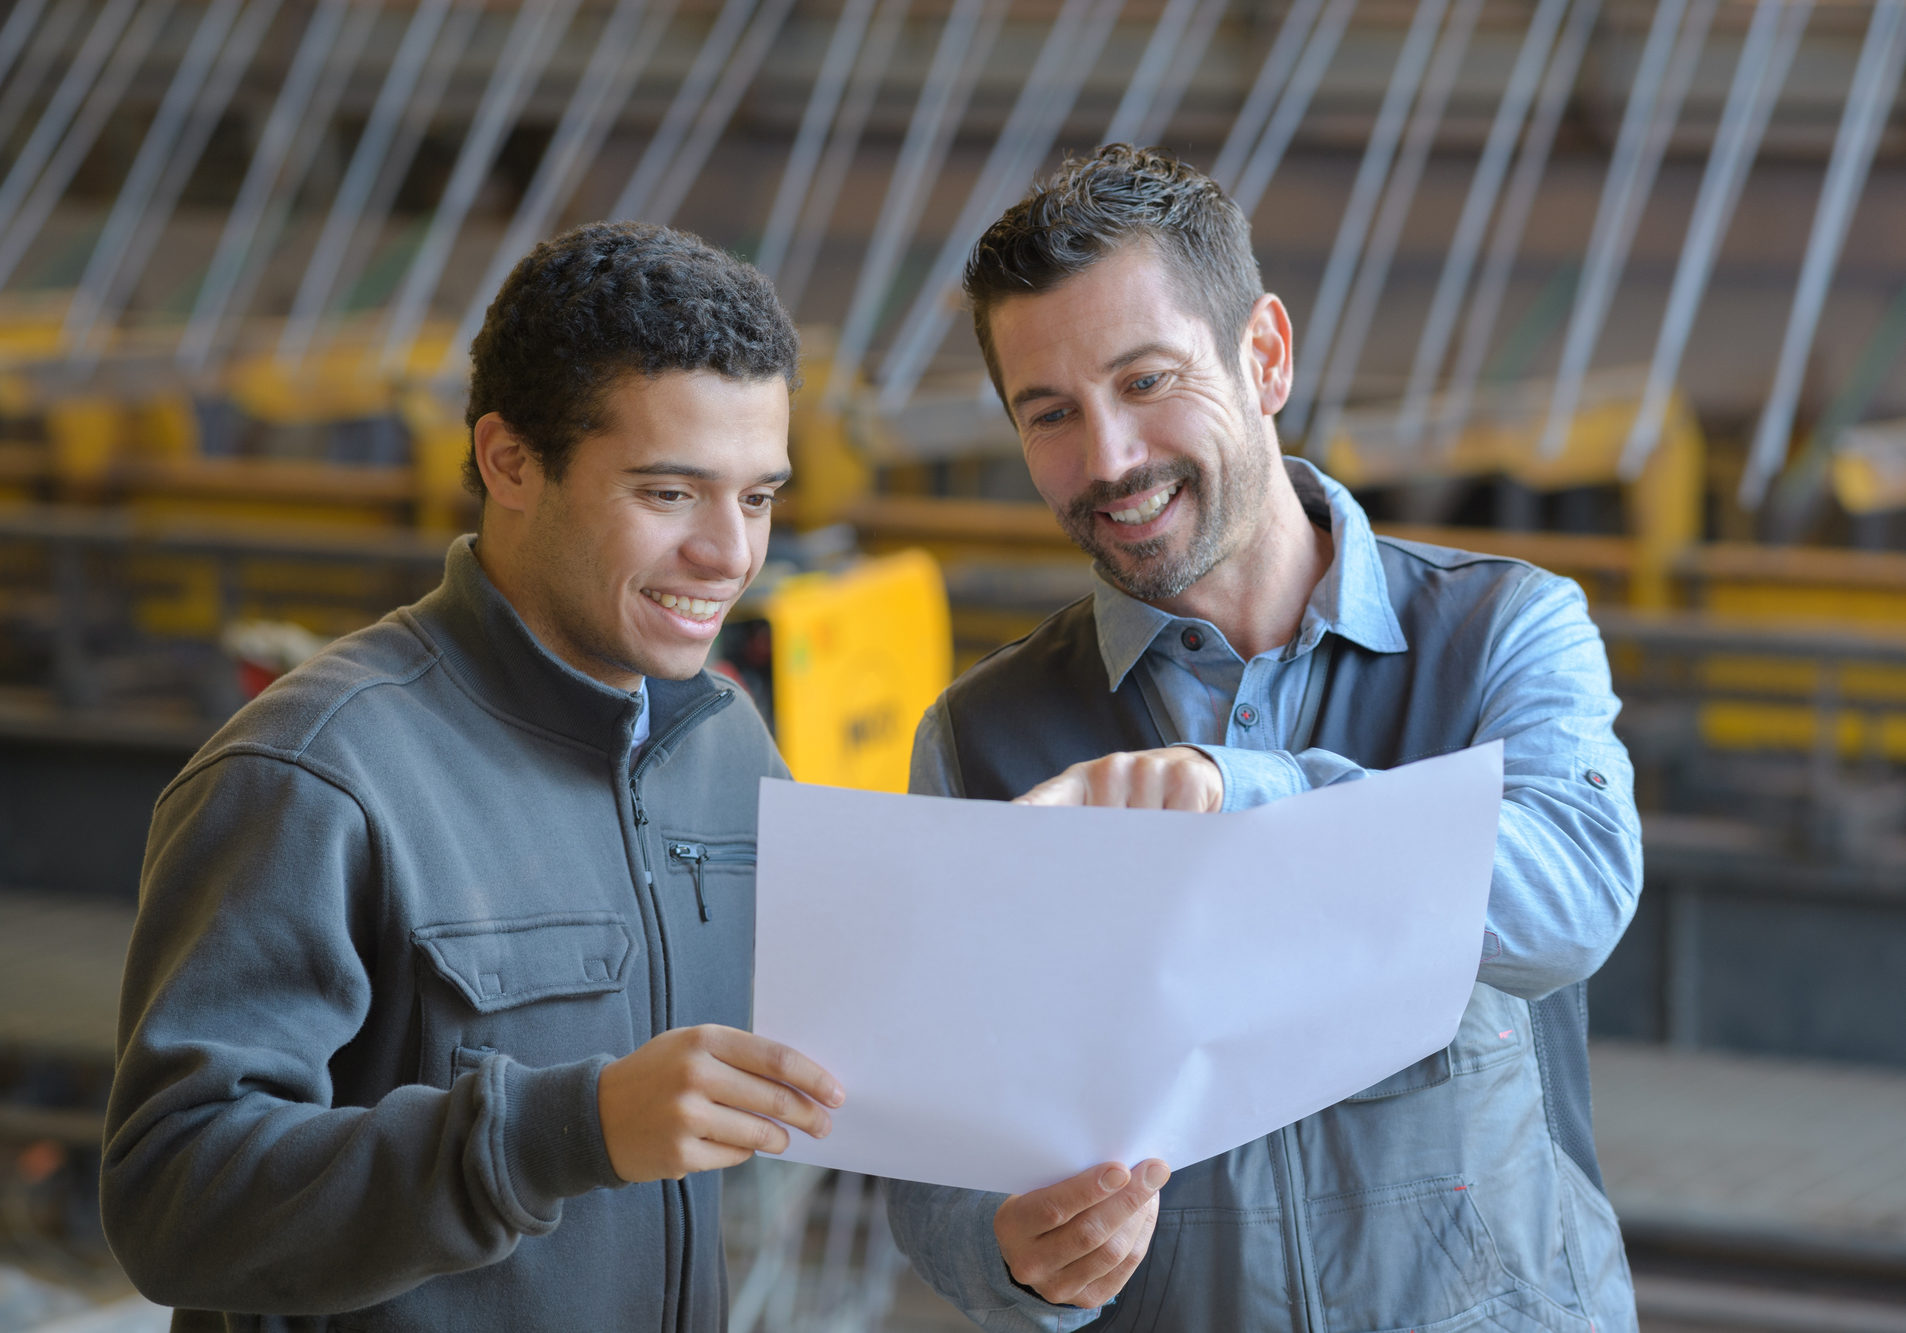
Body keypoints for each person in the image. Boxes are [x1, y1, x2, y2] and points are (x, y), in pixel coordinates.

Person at [884, 146, 1642, 1332]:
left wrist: (1238, 799)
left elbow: (1574, 899)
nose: (1109, 460)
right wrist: (1010, 1252)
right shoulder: (987, 739)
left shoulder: (1501, 631)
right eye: (1051, 415)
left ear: (1266, 356)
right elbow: (935, 1157)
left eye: (1146, 381)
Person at [101, 221, 844, 1331]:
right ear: (509, 461)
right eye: (670, 493)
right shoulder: (315, 773)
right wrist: (563, 1132)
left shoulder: (725, 737)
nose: (731, 555)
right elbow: (173, 1199)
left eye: (758, 496)